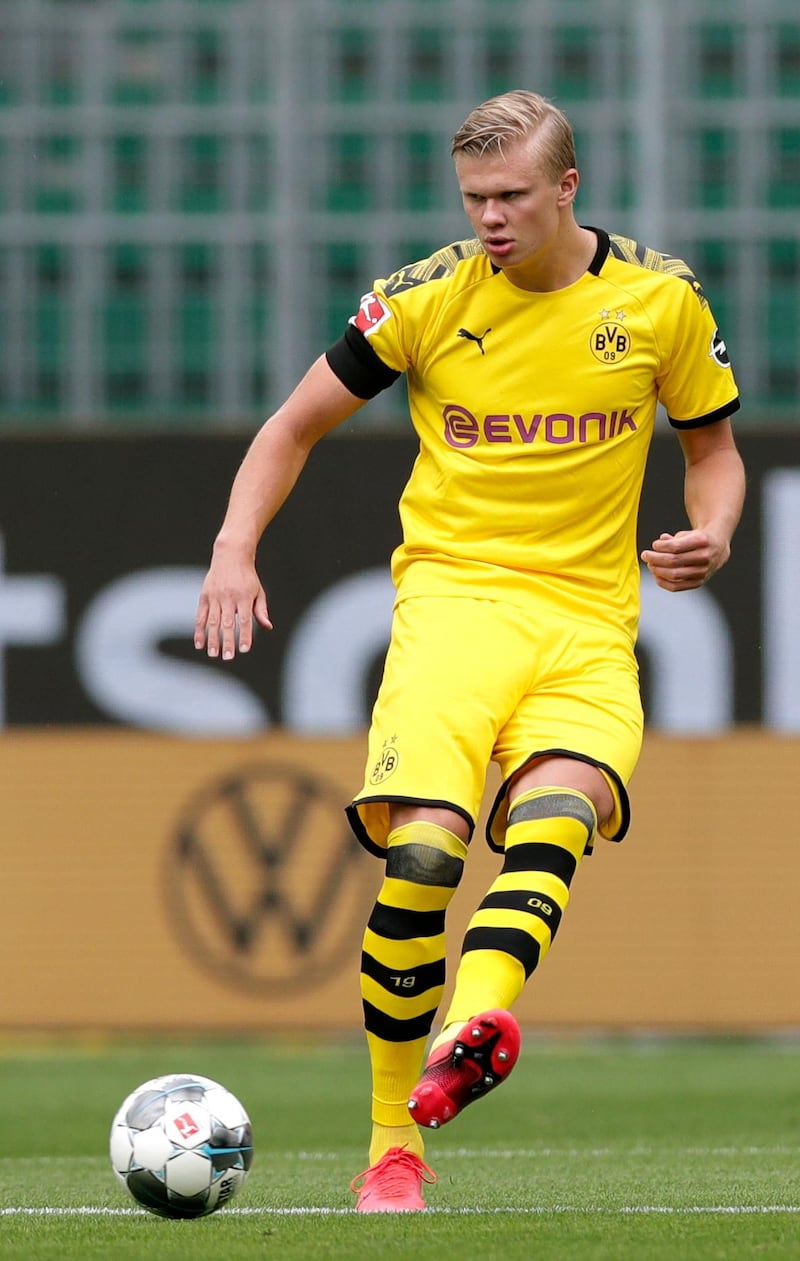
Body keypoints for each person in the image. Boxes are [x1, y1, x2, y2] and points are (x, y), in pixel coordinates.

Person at [194, 89, 745, 1212]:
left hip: (588, 627)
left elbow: (713, 450)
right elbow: (288, 427)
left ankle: (467, 1028)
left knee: (557, 818)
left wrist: (713, 533)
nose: (488, 218)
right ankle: (393, 1146)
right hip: (451, 613)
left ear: (565, 189)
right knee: (427, 860)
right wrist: (231, 549)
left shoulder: (659, 300)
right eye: (473, 199)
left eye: (509, 197)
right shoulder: (422, 300)